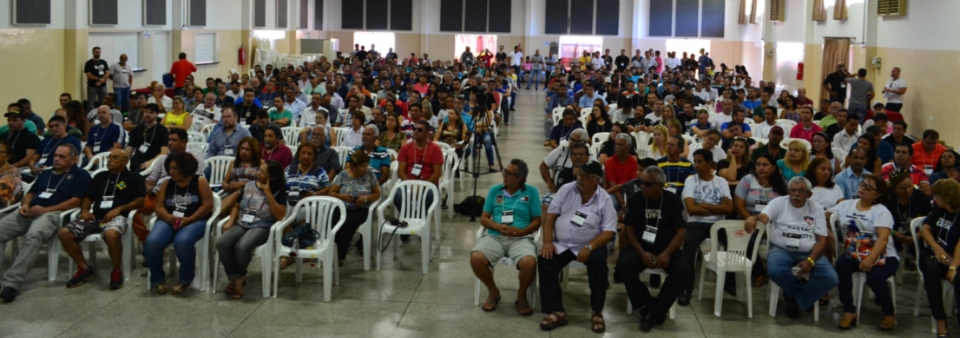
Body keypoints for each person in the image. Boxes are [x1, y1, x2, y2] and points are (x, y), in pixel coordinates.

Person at [0, 144, 91, 303]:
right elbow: (31, 193)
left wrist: (47, 209)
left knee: (34, 236)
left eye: (62, 157)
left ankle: (11, 282)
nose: (56, 159)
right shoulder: (46, 172)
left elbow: (75, 201)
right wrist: (25, 205)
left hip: (53, 213)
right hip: (29, 211)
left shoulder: (81, 175)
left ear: (74, 159)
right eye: (56, 155)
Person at [537, 162, 615, 333]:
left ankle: (597, 311)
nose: (580, 179)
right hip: (564, 244)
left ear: (596, 180)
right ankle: (556, 310)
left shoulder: (604, 199)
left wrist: (589, 246)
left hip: (593, 244)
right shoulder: (566, 189)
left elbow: (608, 231)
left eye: (585, 177)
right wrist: (548, 242)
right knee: (545, 258)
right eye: (579, 174)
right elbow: (550, 218)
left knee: (599, 263)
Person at [745, 177, 838, 319]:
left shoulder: (816, 208)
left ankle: (794, 298)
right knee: (775, 271)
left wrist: (811, 260)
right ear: (788, 191)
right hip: (782, 249)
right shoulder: (778, 203)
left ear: (809, 194)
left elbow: (821, 241)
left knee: (831, 278)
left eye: (801, 191)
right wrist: (754, 218)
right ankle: (802, 296)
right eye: (793, 190)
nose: (796, 194)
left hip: (809, 251)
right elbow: (764, 217)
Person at [616, 165, 689, 332]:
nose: (642, 187)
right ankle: (649, 305)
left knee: (684, 270)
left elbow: (681, 232)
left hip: (666, 247)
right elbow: (629, 230)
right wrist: (642, 253)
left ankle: (653, 311)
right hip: (640, 246)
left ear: (659, 185)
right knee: (623, 265)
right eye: (642, 182)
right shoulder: (636, 199)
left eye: (647, 184)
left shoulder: (673, 201)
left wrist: (667, 254)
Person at [59, 149, 144, 290]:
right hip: (95, 217)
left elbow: (140, 201)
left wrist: (120, 209)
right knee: (64, 233)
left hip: (118, 217)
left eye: (115, 158)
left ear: (124, 162)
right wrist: (85, 210)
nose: (110, 160)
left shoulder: (134, 178)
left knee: (111, 234)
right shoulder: (100, 177)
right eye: (110, 157)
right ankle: (84, 268)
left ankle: (116, 269)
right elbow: (88, 197)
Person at [145, 152, 214, 295]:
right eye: (170, 168)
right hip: (169, 218)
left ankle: (185, 279)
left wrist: (190, 219)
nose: (171, 172)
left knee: (182, 241)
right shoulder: (166, 183)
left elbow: (207, 205)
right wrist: (168, 217)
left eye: (175, 168)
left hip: (195, 219)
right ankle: (158, 279)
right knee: (151, 242)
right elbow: (159, 207)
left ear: (186, 167)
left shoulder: (200, 181)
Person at [216, 160, 286, 299]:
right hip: (243, 222)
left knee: (242, 246)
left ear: (272, 177)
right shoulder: (248, 186)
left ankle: (236, 279)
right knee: (222, 243)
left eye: (263, 172)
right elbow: (236, 206)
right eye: (259, 170)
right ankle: (238, 278)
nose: (258, 173)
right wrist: (230, 221)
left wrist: (269, 194)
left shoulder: (279, 191)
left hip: (262, 225)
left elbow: (279, 216)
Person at [678, 149, 732, 305]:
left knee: (736, 242)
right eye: (695, 161)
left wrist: (702, 204)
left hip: (719, 224)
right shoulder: (691, 181)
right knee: (689, 247)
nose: (696, 165)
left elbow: (729, 209)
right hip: (696, 224)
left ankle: (729, 282)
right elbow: (691, 209)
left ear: (710, 164)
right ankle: (685, 289)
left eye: (700, 162)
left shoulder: (721, 182)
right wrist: (717, 206)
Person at [133, 128, 204, 243]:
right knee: (130, 206)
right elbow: (151, 179)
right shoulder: (162, 159)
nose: (170, 143)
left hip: (181, 198)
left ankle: (156, 241)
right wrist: (149, 187)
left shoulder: (194, 159)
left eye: (174, 140)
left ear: (184, 142)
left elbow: (194, 181)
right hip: (156, 196)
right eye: (169, 140)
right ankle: (145, 238)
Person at [734, 154, 789, 286]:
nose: (761, 168)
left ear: (773, 168)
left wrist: (766, 226)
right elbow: (739, 205)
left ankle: (778, 271)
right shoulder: (747, 180)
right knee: (746, 240)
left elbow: (785, 208)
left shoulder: (783, 184)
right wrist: (753, 223)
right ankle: (758, 272)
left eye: (765, 165)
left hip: (773, 223)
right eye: (758, 164)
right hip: (748, 219)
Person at [918, 179, 960, 337]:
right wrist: (937, 248)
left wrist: (953, 267)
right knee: (931, 273)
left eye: (937, 195)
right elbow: (926, 229)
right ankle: (940, 322)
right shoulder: (938, 209)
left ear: (947, 197)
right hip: (933, 255)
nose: (934, 199)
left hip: (956, 258)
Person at [885, 171, 931, 256]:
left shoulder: (920, 196)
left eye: (910, 186)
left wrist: (918, 235)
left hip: (917, 234)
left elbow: (930, 219)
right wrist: (893, 233)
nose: (908, 191)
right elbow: (877, 222)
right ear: (894, 189)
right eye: (902, 188)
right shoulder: (885, 198)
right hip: (891, 233)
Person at [125, 103, 170, 172]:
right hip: (135, 160)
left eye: (151, 113)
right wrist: (123, 158)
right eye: (146, 112)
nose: (148, 115)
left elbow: (164, 152)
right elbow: (129, 149)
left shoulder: (162, 130)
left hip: (152, 161)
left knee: (136, 174)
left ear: (157, 114)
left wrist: (152, 162)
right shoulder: (137, 129)